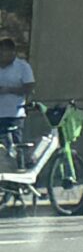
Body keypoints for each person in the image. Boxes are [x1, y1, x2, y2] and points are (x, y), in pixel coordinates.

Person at [0, 36, 31, 166]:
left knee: (16, 147)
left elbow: (29, 88)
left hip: (14, 115)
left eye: (6, 53)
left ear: (13, 52)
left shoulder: (22, 67)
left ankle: (19, 172)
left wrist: (8, 90)